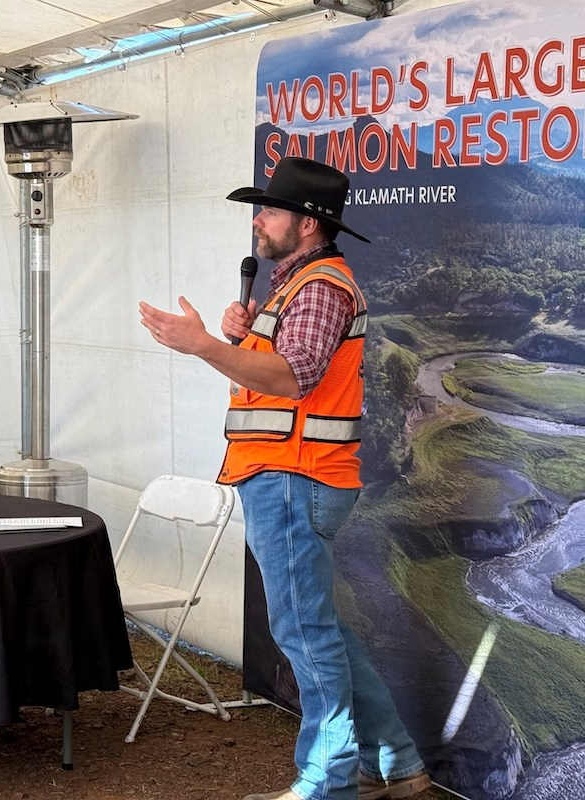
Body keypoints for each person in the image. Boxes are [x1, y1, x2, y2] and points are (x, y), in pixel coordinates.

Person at [138, 157, 430, 800]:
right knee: (318, 626)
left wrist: (205, 346)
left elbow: (294, 379)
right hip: (289, 474)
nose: (258, 221)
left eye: (270, 210)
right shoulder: (294, 285)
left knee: (304, 631)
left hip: (297, 476)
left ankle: (328, 784)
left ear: (307, 223)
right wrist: (236, 342)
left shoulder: (320, 287)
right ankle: (398, 764)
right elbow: (276, 374)